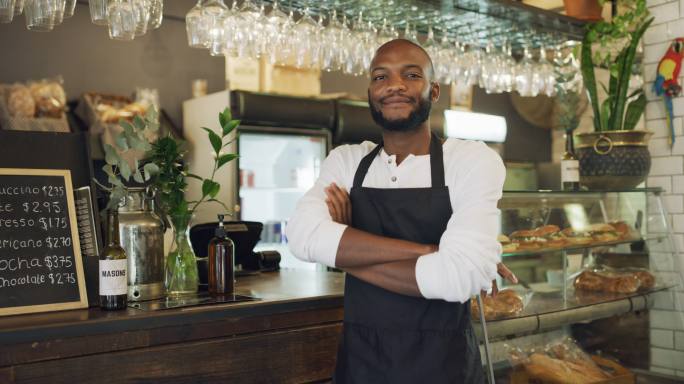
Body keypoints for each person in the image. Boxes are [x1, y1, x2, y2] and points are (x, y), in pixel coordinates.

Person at [286, 38, 515, 383]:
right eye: (380, 77)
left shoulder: (470, 160)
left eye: (411, 75)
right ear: (369, 93)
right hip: (362, 363)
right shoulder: (347, 161)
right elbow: (301, 238)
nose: (394, 85)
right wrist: (431, 252)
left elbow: (456, 280)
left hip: (443, 366)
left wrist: (344, 252)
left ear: (434, 91)